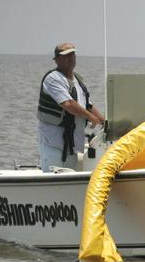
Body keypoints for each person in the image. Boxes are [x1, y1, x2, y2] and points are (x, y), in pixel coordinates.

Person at [37, 42, 105, 171]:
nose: (70, 58)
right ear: (56, 59)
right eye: (66, 55)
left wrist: (104, 121)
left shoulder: (78, 80)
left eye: (72, 54)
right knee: (54, 183)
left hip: (72, 145)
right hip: (54, 144)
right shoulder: (53, 79)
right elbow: (68, 104)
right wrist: (91, 118)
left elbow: (87, 105)